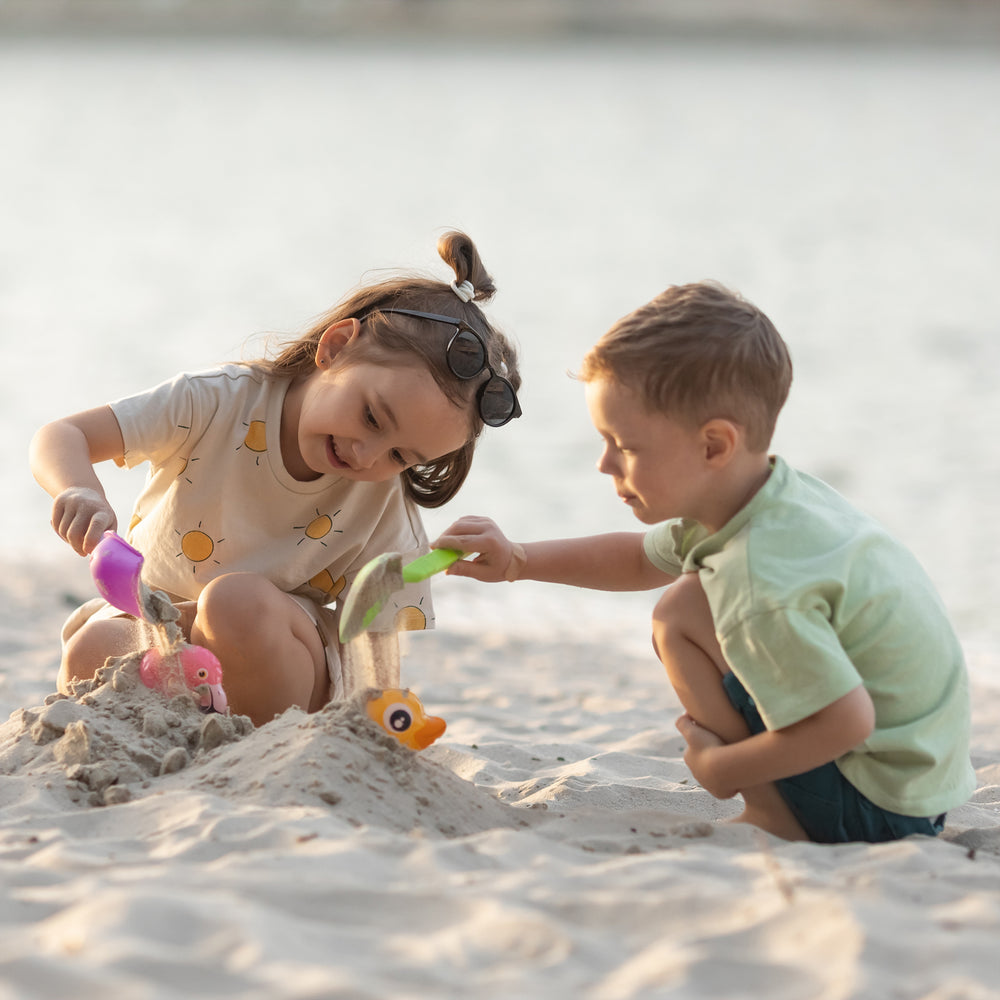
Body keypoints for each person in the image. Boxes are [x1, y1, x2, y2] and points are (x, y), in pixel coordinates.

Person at [434, 281, 974, 844]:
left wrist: (725, 771)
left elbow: (847, 722)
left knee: (679, 615)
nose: (603, 464)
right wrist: (518, 559)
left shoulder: (756, 576)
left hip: (879, 806)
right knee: (690, 594)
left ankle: (772, 814)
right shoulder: (773, 497)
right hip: (916, 785)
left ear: (714, 445)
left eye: (626, 445)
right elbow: (638, 559)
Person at [31, 231, 521, 727]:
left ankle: (260, 743)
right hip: (158, 616)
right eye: (371, 417)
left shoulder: (382, 500)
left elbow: (374, 654)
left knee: (233, 602)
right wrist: (78, 490)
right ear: (335, 347)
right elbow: (63, 434)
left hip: (277, 652)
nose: (367, 454)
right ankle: (190, 718)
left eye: (400, 454)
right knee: (94, 647)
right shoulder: (215, 402)